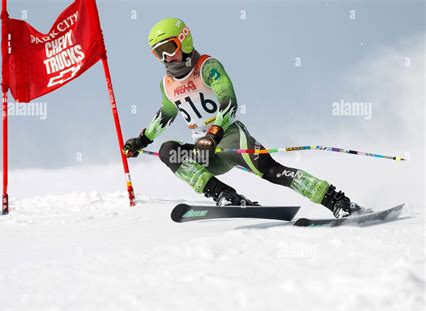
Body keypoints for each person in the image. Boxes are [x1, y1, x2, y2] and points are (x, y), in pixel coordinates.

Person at [124, 17, 366, 218]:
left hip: (228, 138)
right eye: (159, 53)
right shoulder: (167, 84)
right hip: (205, 151)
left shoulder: (207, 66)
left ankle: (337, 201)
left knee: (272, 171)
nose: (166, 58)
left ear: (185, 41)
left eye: (169, 48)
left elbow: (228, 100)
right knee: (169, 151)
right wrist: (141, 141)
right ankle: (225, 195)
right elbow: (166, 115)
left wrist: (214, 133)